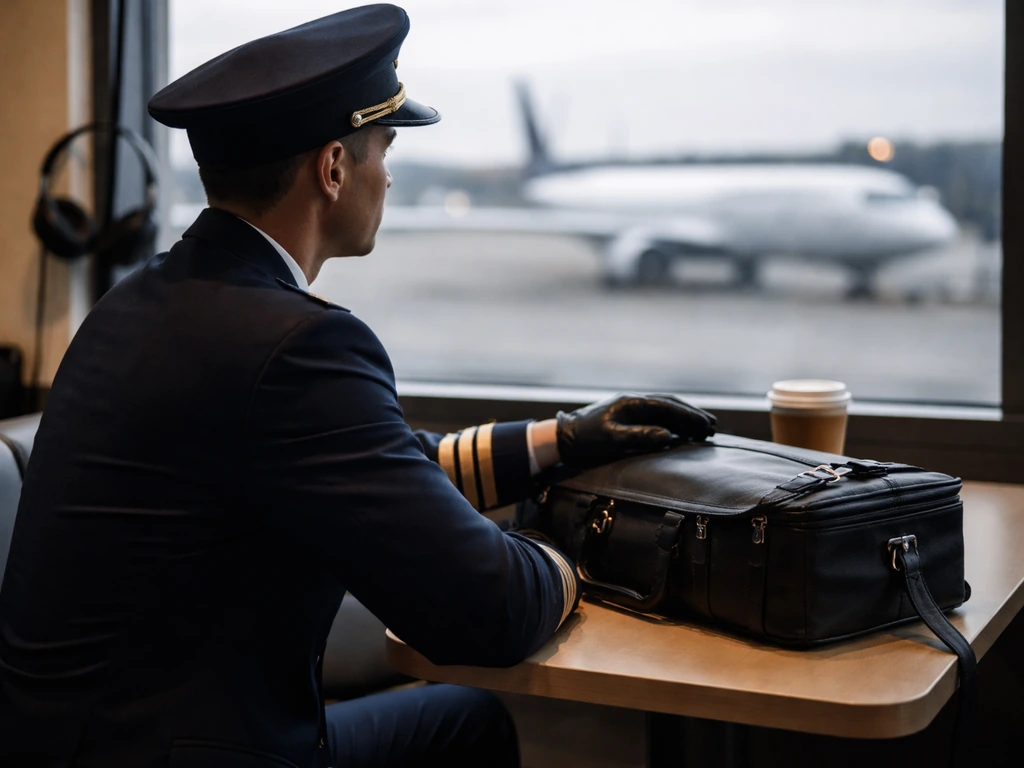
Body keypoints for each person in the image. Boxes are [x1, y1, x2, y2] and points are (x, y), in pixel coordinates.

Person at [0, 5, 715, 767]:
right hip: (183, 751)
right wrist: (577, 554)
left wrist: (561, 440)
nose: (391, 173)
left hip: (71, 740)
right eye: (385, 148)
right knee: (468, 725)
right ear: (334, 168)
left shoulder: (142, 303)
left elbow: (378, 466)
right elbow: (491, 614)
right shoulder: (297, 345)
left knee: (459, 723)